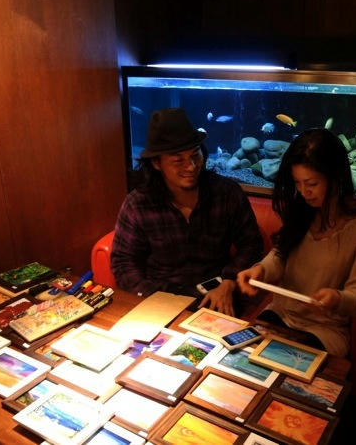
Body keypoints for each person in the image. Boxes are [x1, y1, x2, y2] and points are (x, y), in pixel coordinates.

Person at [237, 128, 356, 357]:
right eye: (297, 183)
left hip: (325, 330)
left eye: (312, 184)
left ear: (336, 177)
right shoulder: (302, 207)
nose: (303, 192)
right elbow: (281, 254)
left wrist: (337, 298)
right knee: (240, 361)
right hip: (280, 314)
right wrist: (260, 270)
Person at [111, 108, 263, 316]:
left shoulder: (226, 193)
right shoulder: (138, 204)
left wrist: (229, 281)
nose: (191, 167)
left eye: (194, 155)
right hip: (160, 300)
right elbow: (123, 262)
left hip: (216, 297)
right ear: (156, 163)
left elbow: (252, 244)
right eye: (178, 160)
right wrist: (152, 297)